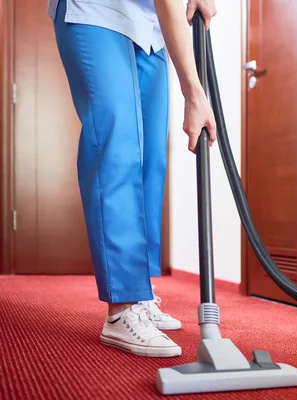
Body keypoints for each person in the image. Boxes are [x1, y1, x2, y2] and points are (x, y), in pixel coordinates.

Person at [47, 0, 217, 358]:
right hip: (94, 11)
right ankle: (121, 307)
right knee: (117, 146)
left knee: (151, 157)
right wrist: (194, 92)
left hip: (148, 26)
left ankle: (141, 293)